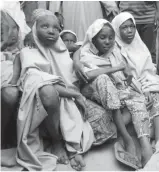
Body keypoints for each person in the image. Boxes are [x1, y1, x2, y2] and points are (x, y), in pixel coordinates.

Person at [1, 9, 94, 171]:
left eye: (56, 28)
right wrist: (75, 94)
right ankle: (57, 142)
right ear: (35, 29)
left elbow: (80, 46)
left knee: (60, 98)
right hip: (37, 100)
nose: (51, 31)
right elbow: (39, 81)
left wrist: (77, 61)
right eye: (45, 26)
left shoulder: (62, 50)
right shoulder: (28, 53)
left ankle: (69, 146)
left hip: (65, 96)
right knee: (48, 91)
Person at [79, 19, 153, 167]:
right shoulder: (85, 54)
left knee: (136, 98)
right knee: (103, 79)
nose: (107, 41)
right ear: (93, 38)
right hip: (96, 96)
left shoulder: (116, 52)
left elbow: (128, 75)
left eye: (111, 37)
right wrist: (116, 68)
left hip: (116, 95)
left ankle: (146, 147)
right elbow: (89, 75)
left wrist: (138, 88)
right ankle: (126, 138)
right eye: (102, 37)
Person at [111, 12, 159, 148]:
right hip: (127, 89)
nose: (129, 31)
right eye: (124, 27)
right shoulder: (113, 50)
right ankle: (149, 142)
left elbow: (148, 72)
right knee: (142, 103)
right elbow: (121, 80)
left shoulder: (139, 45)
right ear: (116, 29)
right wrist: (142, 90)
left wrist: (147, 88)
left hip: (145, 84)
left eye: (132, 27)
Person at [60, 29, 117, 147]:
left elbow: (79, 48)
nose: (69, 43)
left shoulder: (81, 56)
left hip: (78, 93)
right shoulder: (56, 55)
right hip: (63, 95)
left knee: (102, 116)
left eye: (72, 41)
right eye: (66, 40)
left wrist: (76, 59)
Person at [1, 10, 25, 149]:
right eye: (6, 29)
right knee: (10, 94)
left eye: (15, 28)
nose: (12, 33)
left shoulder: (24, 50)